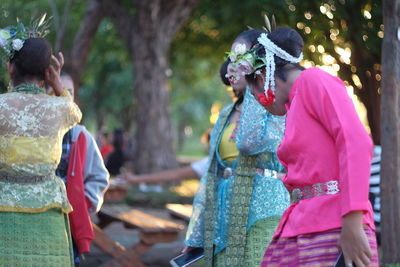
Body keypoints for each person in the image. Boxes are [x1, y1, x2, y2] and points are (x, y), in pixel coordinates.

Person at [239, 26, 378, 266]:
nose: (260, 104)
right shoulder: (293, 106)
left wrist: (353, 224)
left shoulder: (314, 80)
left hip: (337, 225)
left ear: (262, 78)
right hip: (300, 223)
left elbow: (355, 142)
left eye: (254, 94)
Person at [183, 29, 290, 267]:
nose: (231, 66)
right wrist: (197, 233)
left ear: (261, 60)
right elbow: (211, 174)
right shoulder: (225, 114)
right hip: (223, 214)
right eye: (230, 59)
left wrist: (255, 85)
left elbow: (248, 143)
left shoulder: (278, 108)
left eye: (240, 59)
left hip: (266, 209)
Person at [0, 24, 81, 265]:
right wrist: (58, 86)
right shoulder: (60, 108)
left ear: (10, 67)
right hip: (48, 209)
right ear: (48, 72)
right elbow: (75, 113)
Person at [53, 73, 110, 266]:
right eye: (56, 90)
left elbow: (99, 177)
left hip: (68, 223)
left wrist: (82, 202)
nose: (64, 97)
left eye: (69, 92)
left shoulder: (80, 135)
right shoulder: (33, 132)